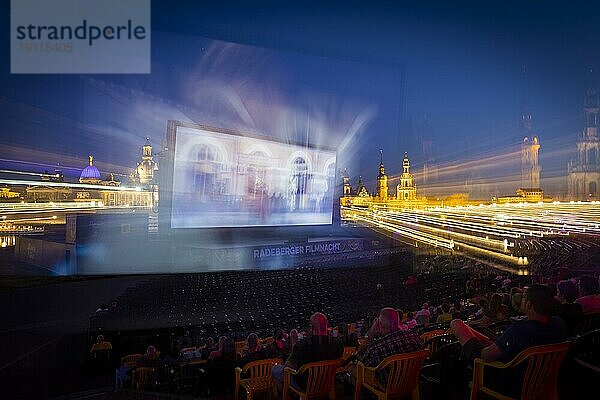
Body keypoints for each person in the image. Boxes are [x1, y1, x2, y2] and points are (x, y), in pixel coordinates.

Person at [450, 285, 566, 365]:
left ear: (529, 304)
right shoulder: (558, 323)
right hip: (539, 378)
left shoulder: (519, 329)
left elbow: (486, 356)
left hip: (507, 378)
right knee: (487, 338)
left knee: (457, 323)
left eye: (523, 297)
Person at [271, 312, 343, 392]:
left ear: (311, 327)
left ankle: (288, 395)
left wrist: (293, 347)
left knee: (275, 369)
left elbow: (289, 367)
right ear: (327, 325)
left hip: (305, 385)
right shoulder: (337, 343)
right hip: (328, 382)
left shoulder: (302, 345)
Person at [351, 308, 424, 386]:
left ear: (379, 324)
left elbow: (360, 359)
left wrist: (370, 334)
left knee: (352, 367)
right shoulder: (413, 335)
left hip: (389, 385)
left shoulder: (375, 347)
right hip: (411, 379)